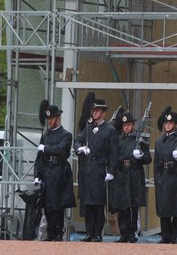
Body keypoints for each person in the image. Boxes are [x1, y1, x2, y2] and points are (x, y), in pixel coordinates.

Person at [75, 97, 118, 242]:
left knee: (98, 204)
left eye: (98, 110)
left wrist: (111, 171)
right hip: (88, 168)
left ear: (103, 113)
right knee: (88, 203)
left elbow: (114, 154)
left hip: (100, 168)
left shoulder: (110, 130)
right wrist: (80, 148)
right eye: (93, 110)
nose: (94, 113)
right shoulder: (88, 128)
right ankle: (89, 232)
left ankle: (97, 233)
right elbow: (78, 140)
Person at [35, 104, 77, 241]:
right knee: (47, 206)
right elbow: (39, 158)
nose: (50, 121)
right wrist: (37, 175)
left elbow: (61, 150)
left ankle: (58, 233)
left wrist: (46, 148)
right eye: (48, 119)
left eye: (52, 118)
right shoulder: (46, 135)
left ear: (58, 117)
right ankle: (50, 233)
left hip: (59, 171)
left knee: (57, 206)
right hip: (47, 171)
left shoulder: (66, 135)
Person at [109, 111, 152, 243]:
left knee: (134, 205)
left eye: (128, 125)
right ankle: (124, 233)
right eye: (124, 125)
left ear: (133, 125)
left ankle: (133, 232)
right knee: (123, 205)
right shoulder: (120, 141)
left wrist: (140, 156)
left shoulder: (139, 140)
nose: (126, 127)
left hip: (134, 173)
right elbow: (116, 158)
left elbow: (148, 158)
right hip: (122, 174)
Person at [153, 108, 177, 244]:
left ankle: (173, 236)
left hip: (175, 175)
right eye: (166, 123)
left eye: (170, 123)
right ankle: (165, 236)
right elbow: (156, 162)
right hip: (163, 176)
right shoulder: (159, 141)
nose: (168, 125)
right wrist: (157, 179)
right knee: (164, 208)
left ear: (175, 124)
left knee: (176, 209)